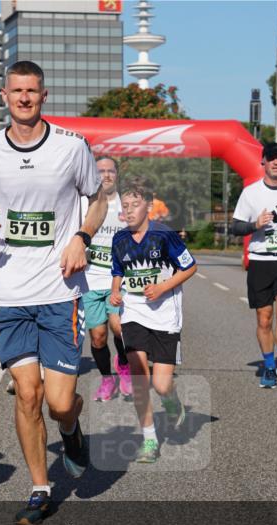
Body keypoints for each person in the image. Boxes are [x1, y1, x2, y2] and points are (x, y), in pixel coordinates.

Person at [0, 60, 108, 525]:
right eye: (16, 91)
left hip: (59, 289)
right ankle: (40, 488)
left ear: (44, 97)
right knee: (28, 393)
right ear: (4, 96)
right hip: (8, 290)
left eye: (32, 91)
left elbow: (98, 199)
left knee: (60, 401)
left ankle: (71, 428)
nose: (24, 98)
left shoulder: (71, 147)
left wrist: (81, 237)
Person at [109, 176, 197, 462]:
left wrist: (162, 287)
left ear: (148, 206)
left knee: (161, 385)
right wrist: (115, 292)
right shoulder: (119, 239)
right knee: (138, 376)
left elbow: (190, 267)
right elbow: (118, 270)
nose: (131, 209)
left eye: (136, 204)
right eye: (126, 205)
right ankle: (149, 440)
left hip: (165, 315)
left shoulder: (164, 235)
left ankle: (172, 403)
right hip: (134, 311)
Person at [231, 142, 277, 391]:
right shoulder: (251, 193)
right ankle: (269, 367)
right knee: (264, 319)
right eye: (270, 158)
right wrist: (255, 225)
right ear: (262, 162)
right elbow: (235, 227)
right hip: (261, 261)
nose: (275, 162)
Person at [83, 156, 133, 402]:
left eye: (110, 171)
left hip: (117, 280)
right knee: (98, 336)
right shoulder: (84, 204)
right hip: (90, 280)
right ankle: (106, 379)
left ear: (117, 174)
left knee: (119, 327)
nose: (105, 175)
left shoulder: (127, 204)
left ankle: (124, 366)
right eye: (100, 171)